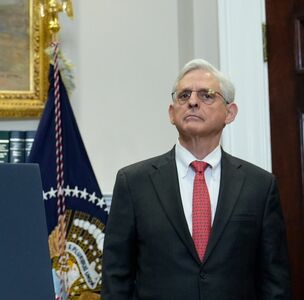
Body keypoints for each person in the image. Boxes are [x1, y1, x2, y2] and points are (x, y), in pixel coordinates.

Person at [101, 59, 291, 299]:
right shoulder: (134, 183)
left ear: (230, 113)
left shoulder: (260, 186)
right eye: (183, 96)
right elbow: (116, 277)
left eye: (206, 95)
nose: (192, 101)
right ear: (172, 113)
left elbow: (275, 282)